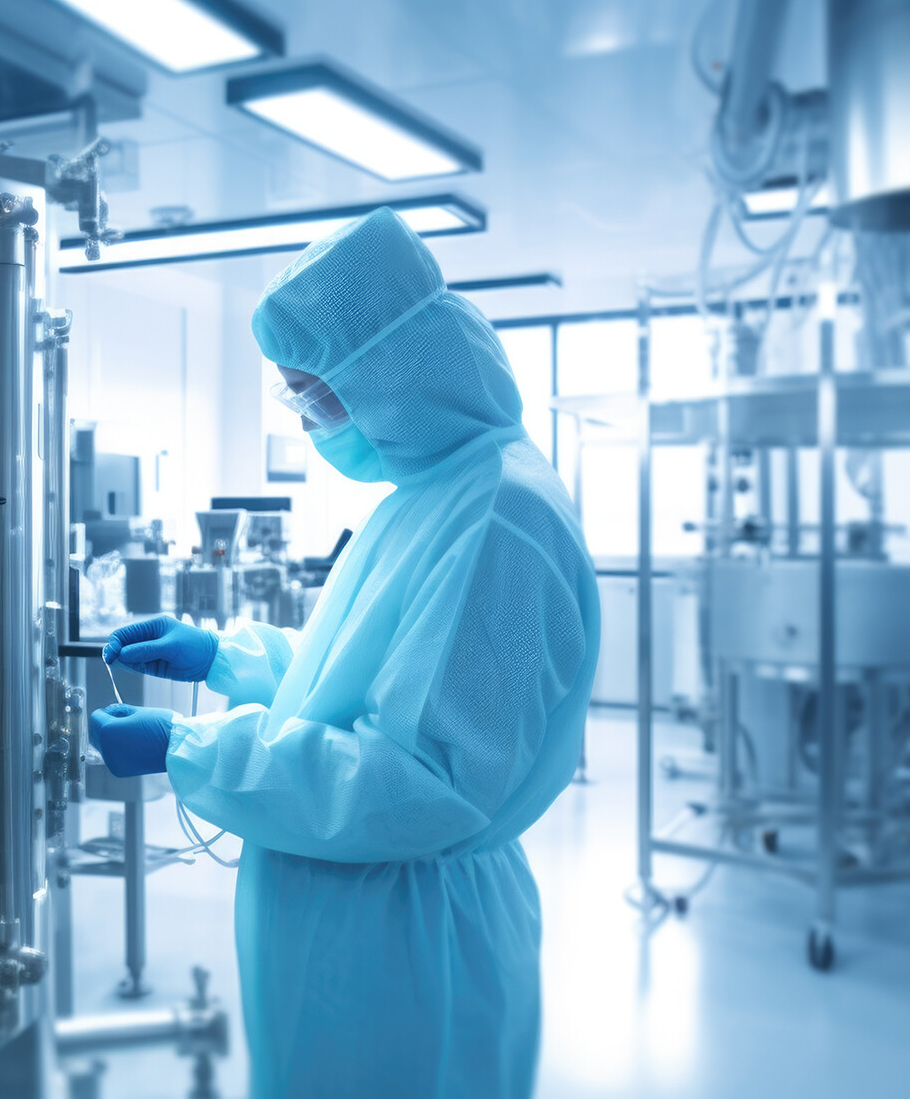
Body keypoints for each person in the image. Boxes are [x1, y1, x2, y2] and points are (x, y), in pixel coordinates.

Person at [89, 207, 600, 1099]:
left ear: (393, 373)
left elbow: (420, 781)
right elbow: (361, 682)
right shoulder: (433, 490)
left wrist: (187, 748)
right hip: (358, 928)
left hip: (406, 953)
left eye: (317, 394)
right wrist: (223, 656)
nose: (314, 421)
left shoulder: (498, 518)